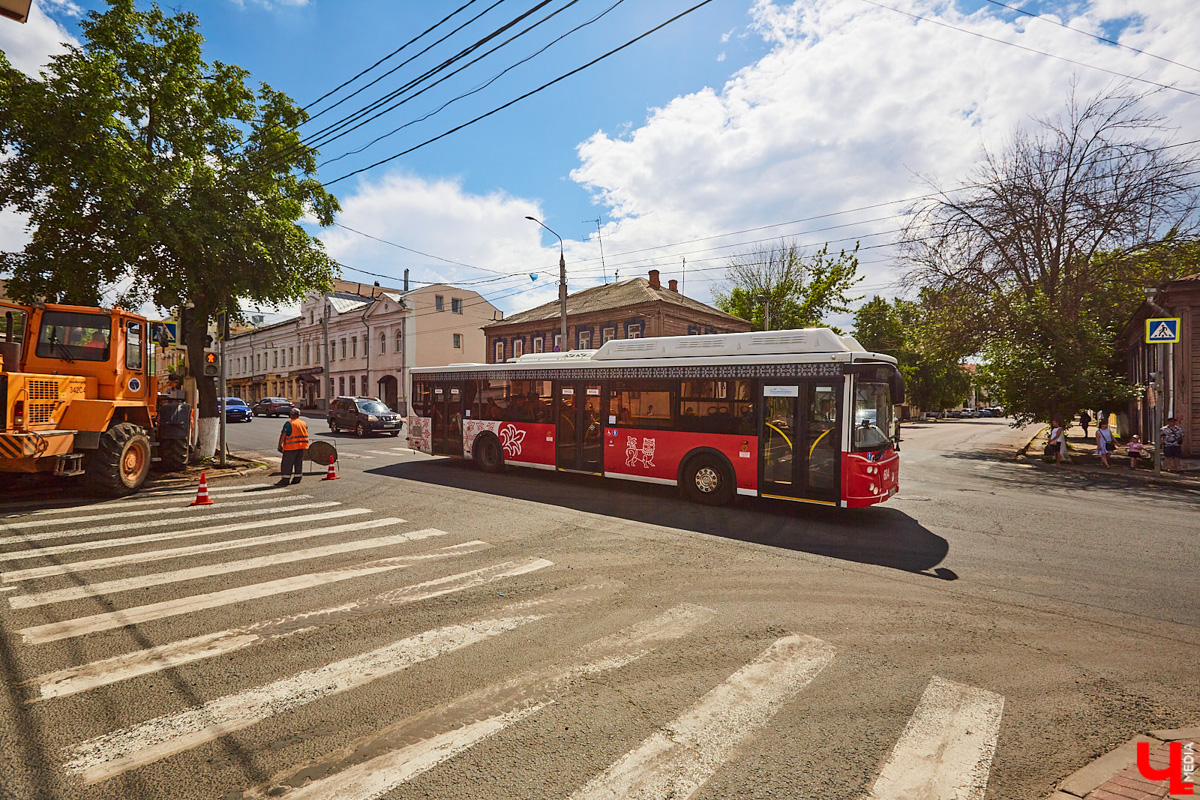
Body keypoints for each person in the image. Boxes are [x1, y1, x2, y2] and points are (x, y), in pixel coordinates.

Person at [277, 408, 310, 485]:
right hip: (301, 447)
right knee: (298, 463)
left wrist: (279, 445)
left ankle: (285, 479)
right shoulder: (303, 423)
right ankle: (297, 478)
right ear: (299, 415)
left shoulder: (289, 424)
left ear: (291, 415)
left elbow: (283, 435)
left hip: (291, 447)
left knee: (287, 464)